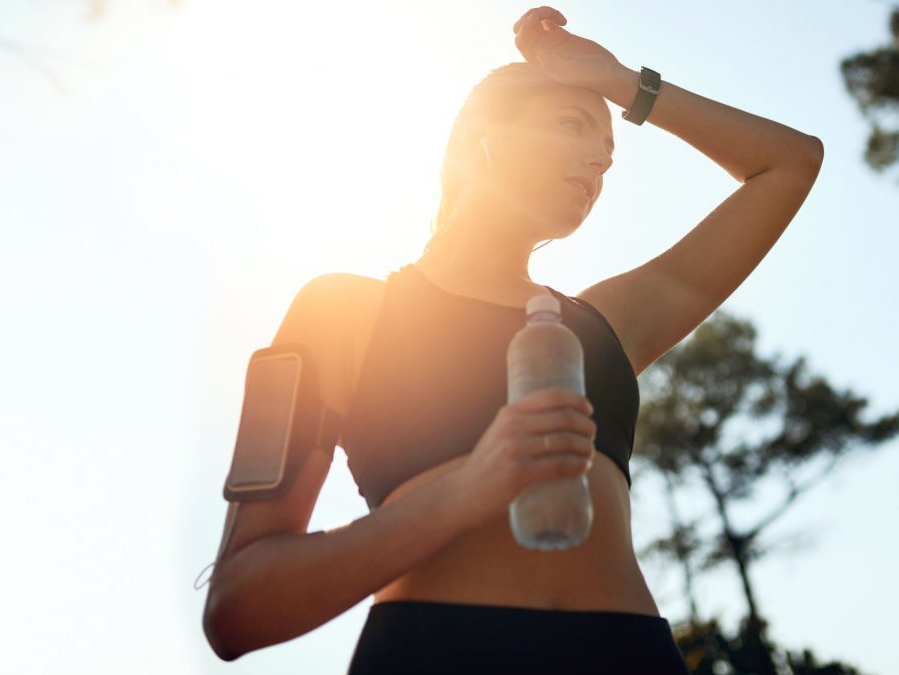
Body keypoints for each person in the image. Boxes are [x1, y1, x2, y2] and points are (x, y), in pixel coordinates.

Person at [202, 6, 823, 673]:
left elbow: (789, 163)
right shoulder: (344, 311)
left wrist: (619, 83)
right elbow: (238, 603)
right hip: (432, 651)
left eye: (609, 160)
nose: (597, 161)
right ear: (482, 139)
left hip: (629, 655)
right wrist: (465, 487)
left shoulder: (605, 324)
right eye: (572, 126)